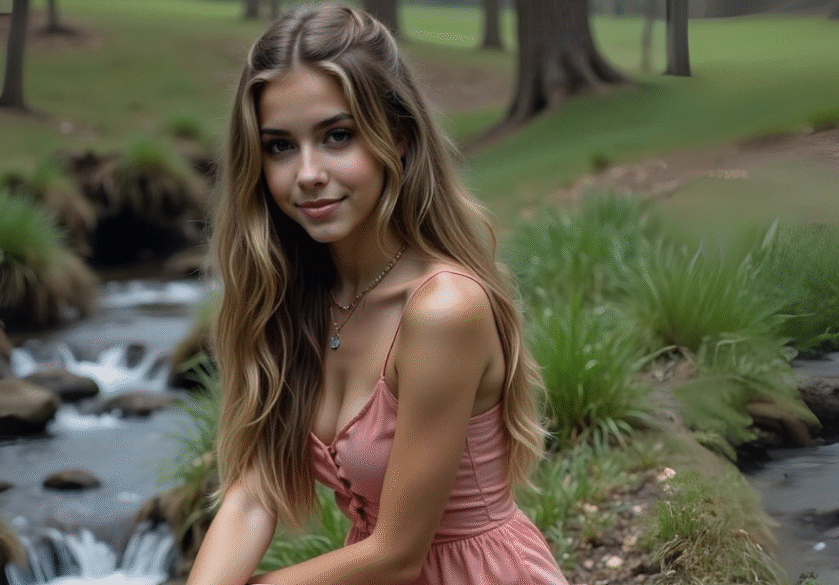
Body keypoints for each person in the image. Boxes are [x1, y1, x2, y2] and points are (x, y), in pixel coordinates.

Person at [189, 4, 568, 585]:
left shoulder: (443, 310)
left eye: (337, 136)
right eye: (280, 146)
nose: (308, 173)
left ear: (399, 137)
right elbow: (254, 491)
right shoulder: (302, 299)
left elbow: (397, 553)